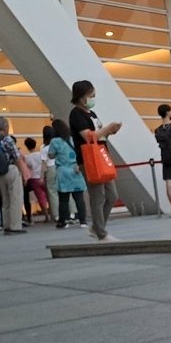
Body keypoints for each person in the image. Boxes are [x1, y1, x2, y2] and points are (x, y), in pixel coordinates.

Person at [69, 79, 121, 242]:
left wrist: (110, 131)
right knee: (97, 195)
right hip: (89, 159)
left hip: (101, 156)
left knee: (112, 195)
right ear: (81, 96)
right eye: (90, 95)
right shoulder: (76, 114)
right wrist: (106, 129)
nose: (93, 97)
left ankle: (97, 228)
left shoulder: (92, 114)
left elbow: (99, 135)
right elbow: (88, 136)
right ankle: (101, 232)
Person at [0, 116, 30, 234]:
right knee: (15, 198)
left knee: (5, 200)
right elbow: (16, 157)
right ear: (5, 126)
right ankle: (15, 226)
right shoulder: (6, 139)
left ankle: (6, 225)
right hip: (10, 169)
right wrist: (25, 173)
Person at [47, 118, 88, 229]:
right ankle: (83, 220)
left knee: (63, 199)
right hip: (76, 169)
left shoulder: (55, 141)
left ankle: (63, 221)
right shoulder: (73, 139)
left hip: (63, 172)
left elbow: (50, 155)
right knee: (79, 197)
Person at [23, 137, 51, 223]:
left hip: (34, 179)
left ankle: (46, 216)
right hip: (43, 176)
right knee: (50, 195)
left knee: (41, 198)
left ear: (27, 146)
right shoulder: (40, 154)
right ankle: (54, 213)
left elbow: (27, 169)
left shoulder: (27, 157)